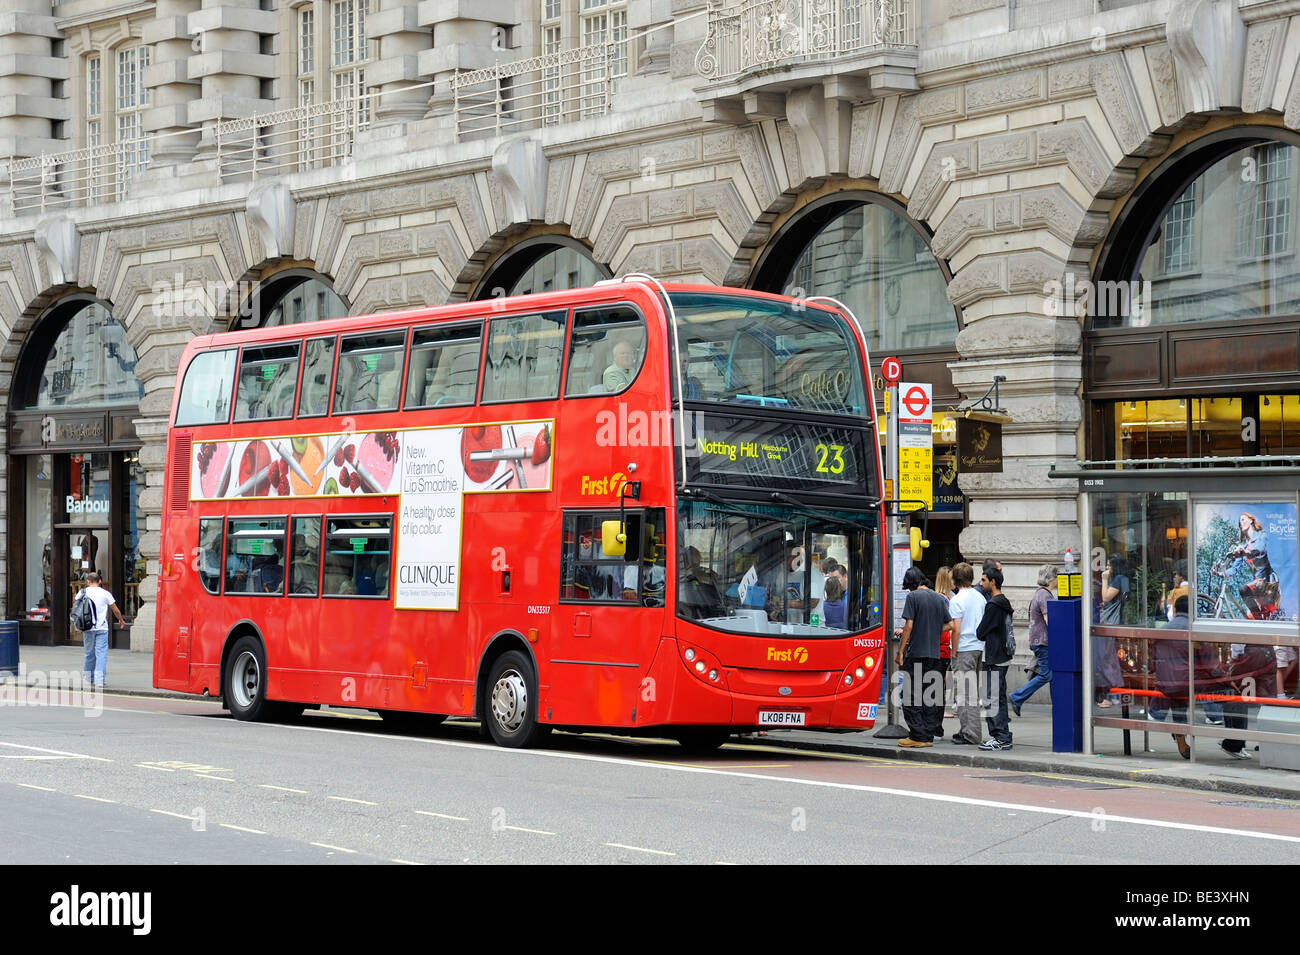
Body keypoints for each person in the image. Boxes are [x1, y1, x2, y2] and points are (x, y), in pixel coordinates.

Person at [893, 567, 951, 748]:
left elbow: (909, 625)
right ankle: (927, 736)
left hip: (917, 653)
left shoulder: (913, 597)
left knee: (909, 695)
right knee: (929, 696)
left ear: (911, 584)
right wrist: (933, 632)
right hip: (934, 655)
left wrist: (900, 651)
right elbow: (949, 625)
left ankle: (917, 735)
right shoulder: (938, 597)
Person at [1009, 564, 1056, 716]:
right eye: (1057, 577)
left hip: (1040, 641)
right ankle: (1017, 697)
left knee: (1051, 674)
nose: (1059, 580)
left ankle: (1058, 705)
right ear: (1051, 579)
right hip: (1043, 641)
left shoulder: (1040, 593)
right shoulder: (1044, 595)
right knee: (1046, 675)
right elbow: (1049, 620)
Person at [948, 562, 987, 746]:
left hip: (963, 648)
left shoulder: (956, 600)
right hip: (978, 647)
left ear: (955, 579)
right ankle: (969, 729)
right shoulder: (980, 597)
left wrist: (953, 651)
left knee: (964, 694)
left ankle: (970, 734)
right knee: (971, 693)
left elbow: (956, 629)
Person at [976, 566, 1014, 750]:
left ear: (993, 582)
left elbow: (980, 632)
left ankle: (999, 737)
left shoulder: (993, 605)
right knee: (999, 697)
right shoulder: (1004, 601)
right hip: (1004, 654)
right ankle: (1004, 735)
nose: (980, 583)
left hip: (993, 656)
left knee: (991, 698)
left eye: (983, 580)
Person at [1227, 512, 1280, 620]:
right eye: (1239, 521)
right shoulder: (1244, 545)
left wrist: (1245, 552)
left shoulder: (1261, 535)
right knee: (1252, 614)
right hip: (1256, 585)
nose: (1240, 523)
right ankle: (1259, 619)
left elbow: (1260, 550)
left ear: (1251, 520)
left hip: (1267, 583)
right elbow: (1234, 569)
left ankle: (1259, 619)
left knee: (1244, 590)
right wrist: (1221, 572)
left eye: (1243, 519)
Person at [80, 571, 126, 688]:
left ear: (88, 582)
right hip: (102, 628)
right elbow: (115, 610)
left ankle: (87, 679)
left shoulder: (82, 592)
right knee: (101, 654)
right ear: (100, 581)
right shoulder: (105, 593)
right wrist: (120, 620)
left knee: (89, 653)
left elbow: (77, 607)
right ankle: (99, 681)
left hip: (87, 627)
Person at [1095, 554, 1129, 707]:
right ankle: (1114, 694)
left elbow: (1106, 597)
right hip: (1118, 621)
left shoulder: (1118, 579)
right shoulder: (1125, 579)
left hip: (1110, 623)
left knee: (1107, 659)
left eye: (1109, 565)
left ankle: (1111, 695)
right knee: (1111, 659)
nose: (1107, 568)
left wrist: (1104, 580)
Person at [933, 566, 956, 718]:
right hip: (943, 641)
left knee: (945, 675)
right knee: (940, 677)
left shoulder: (950, 596)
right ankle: (940, 709)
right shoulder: (941, 598)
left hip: (947, 640)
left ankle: (942, 708)